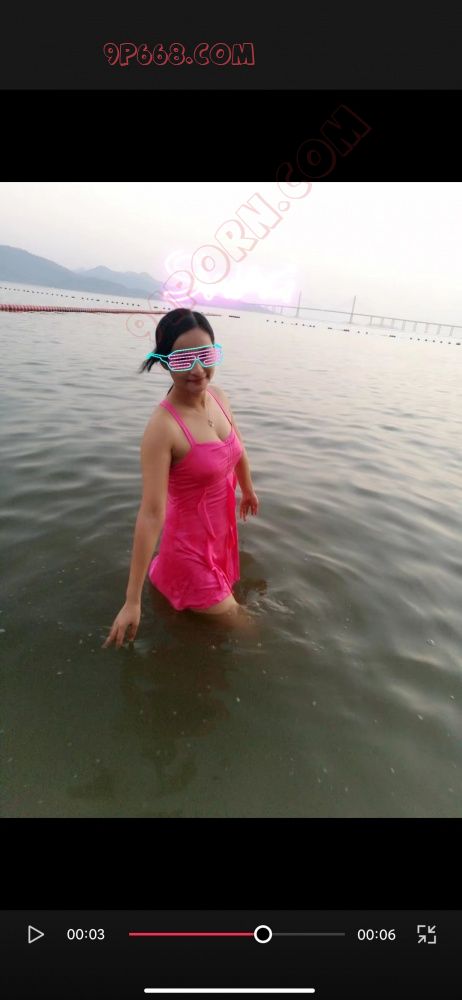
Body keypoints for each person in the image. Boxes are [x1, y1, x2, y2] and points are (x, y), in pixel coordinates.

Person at [102, 308, 259, 649]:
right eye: (184, 358)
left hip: (219, 539)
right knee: (252, 638)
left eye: (205, 355)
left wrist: (247, 488)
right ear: (164, 362)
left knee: (219, 641)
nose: (197, 369)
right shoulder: (163, 427)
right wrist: (132, 601)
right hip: (188, 556)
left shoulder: (219, 397)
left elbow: (238, 446)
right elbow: (151, 513)